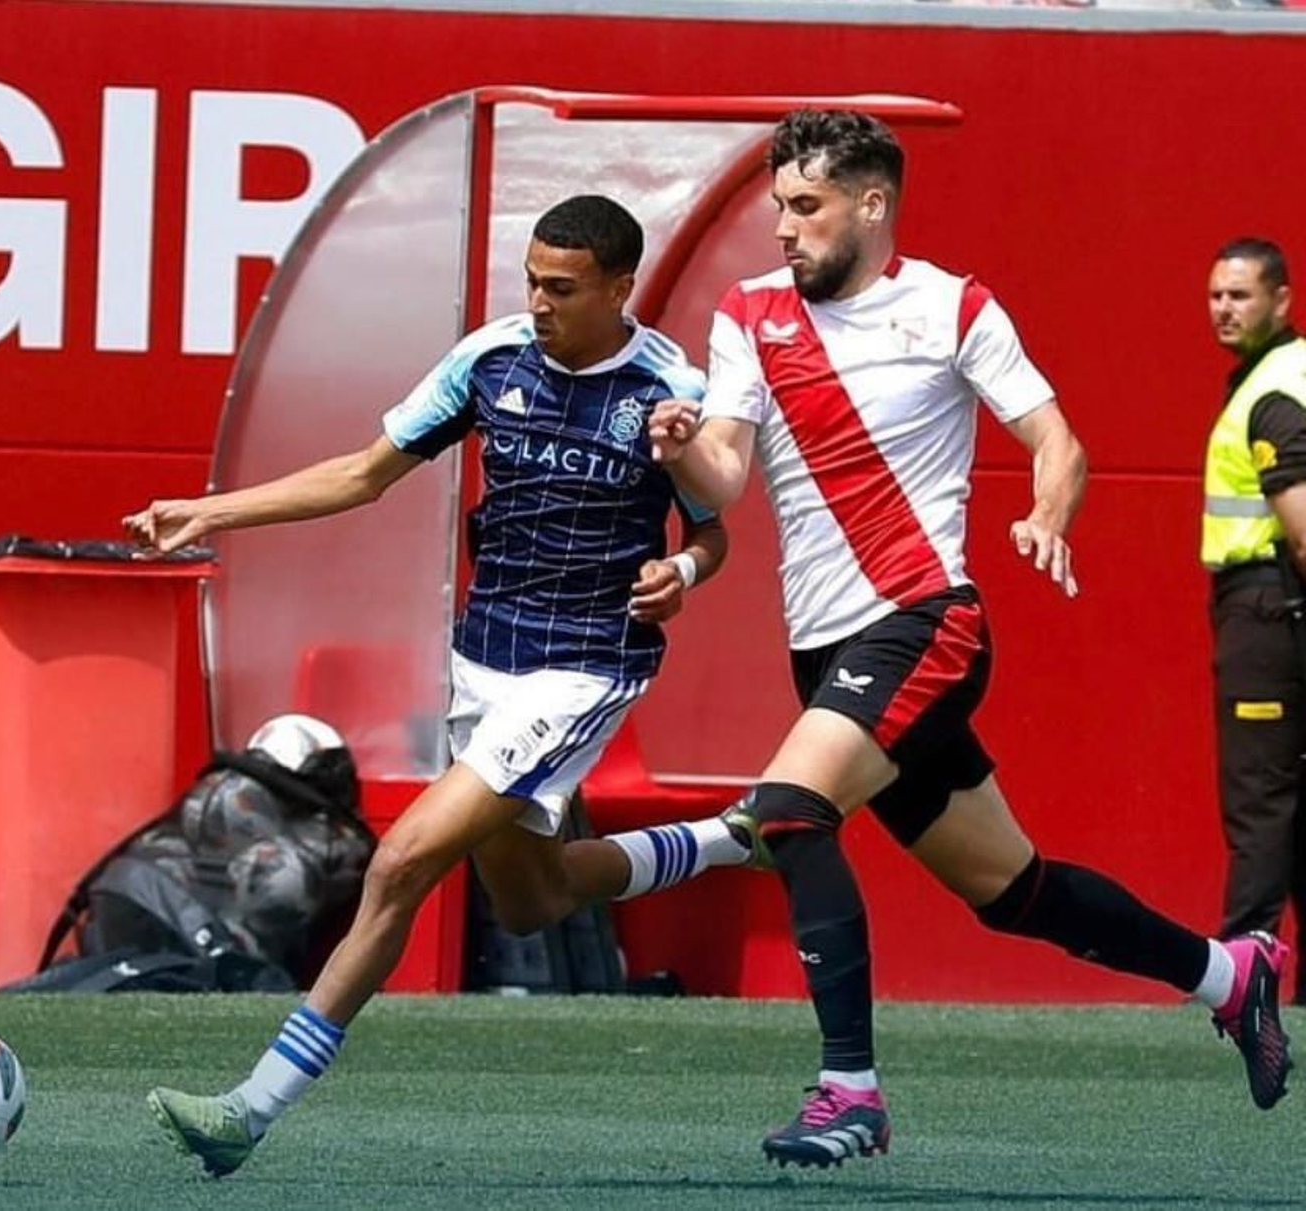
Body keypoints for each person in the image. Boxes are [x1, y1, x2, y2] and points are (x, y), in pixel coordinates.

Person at [648, 110, 1293, 1169]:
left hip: (923, 623)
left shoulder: (952, 306)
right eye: (777, 208)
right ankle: (1231, 976)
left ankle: (849, 1091)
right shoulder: (748, 313)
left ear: (871, 204)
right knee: (1012, 891)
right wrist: (681, 453)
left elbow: (1055, 439)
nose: (784, 230)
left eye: (805, 207)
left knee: (790, 813)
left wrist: (1046, 514)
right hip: (823, 649)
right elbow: (721, 467)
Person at [126, 195, 750, 1176]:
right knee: (531, 899)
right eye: (532, 280)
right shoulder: (490, 359)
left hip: (584, 664)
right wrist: (213, 510)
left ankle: (250, 1106)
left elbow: (712, 525)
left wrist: (685, 571)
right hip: (484, 663)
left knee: (401, 860)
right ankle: (725, 838)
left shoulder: (668, 390)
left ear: (619, 287)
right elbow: (363, 473)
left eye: (562, 286)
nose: (538, 302)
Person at [1203, 237, 1306, 1004]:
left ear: (1281, 300)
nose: (1224, 309)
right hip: (1276, 603)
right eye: (1216, 295)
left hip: (1268, 608)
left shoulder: (1273, 391)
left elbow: (1301, 525)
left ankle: (1242, 976)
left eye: (1240, 295)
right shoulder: (1278, 377)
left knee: (1259, 794)